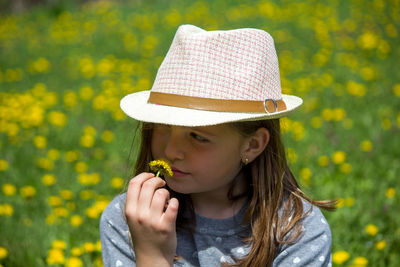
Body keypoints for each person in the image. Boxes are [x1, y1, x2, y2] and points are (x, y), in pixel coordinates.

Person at [100, 24, 336, 267]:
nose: (170, 151)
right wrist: (150, 254)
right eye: (162, 127)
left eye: (198, 136)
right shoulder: (131, 219)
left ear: (252, 145)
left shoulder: (296, 230)